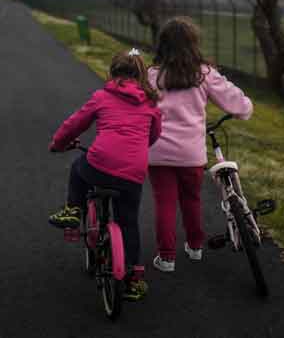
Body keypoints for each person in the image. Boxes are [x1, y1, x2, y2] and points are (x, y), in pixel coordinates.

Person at [48, 49, 162, 302]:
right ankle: (135, 278)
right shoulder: (151, 103)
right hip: (133, 171)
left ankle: (73, 209)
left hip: (100, 163)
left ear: (112, 73)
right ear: (142, 74)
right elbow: (154, 135)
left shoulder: (102, 96)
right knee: (128, 222)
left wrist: (57, 144)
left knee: (79, 168)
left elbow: (75, 124)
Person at [147, 17, 253, 273]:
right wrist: (244, 109)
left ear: (161, 45)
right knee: (192, 199)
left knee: (164, 203)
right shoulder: (204, 74)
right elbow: (238, 105)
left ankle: (167, 257)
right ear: (193, 44)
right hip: (191, 154)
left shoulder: (151, 75)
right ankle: (195, 247)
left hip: (157, 151)